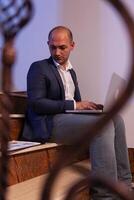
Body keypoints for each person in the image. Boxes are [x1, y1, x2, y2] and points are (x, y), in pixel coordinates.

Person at [22, 26, 132, 199]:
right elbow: (36, 104)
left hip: (68, 118)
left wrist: (89, 107)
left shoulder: (71, 72)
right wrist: (76, 105)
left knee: (115, 119)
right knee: (101, 127)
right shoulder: (39, 67)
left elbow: (76, 104)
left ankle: (125, 186)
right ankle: (105, 195)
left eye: (62, 47)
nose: (57, 52)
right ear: (48, 45)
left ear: (72, 46)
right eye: (53, 47)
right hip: (48, 122)